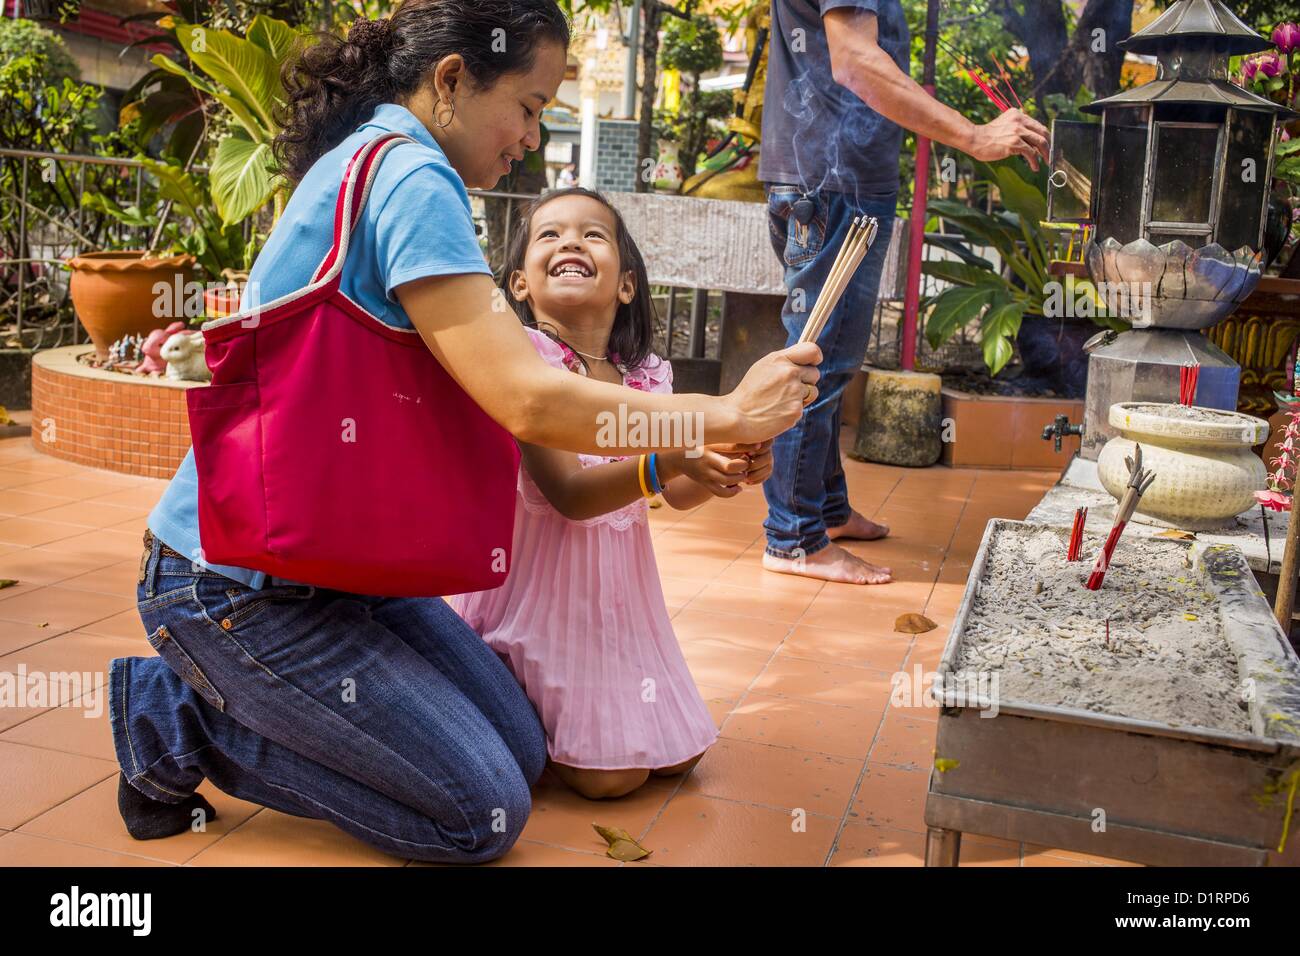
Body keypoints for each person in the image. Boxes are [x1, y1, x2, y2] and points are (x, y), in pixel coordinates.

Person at [111, 0, 821, 865]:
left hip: (336, 562)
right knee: (476, 815)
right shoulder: (410, 175)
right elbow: (528, 398)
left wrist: (680, 447)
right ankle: (170, 720)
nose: (532, 135)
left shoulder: (378, 158)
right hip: (235, 581)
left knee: (520, 753)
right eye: (527, 106)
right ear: (452, 80)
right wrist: (723, 412)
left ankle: (244, 705)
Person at [452, 188, 771, 799]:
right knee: (611, 780)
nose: (570, 241)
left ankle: (567, 709)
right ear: (519, 284)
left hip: (618, 605)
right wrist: (673, 455)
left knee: (681, 760)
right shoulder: (526, 364)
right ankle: (512, 688)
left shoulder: (646, 375)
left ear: (626, 284)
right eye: (549, 235)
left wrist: (725, 467)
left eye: (592, 234)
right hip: (537, 602)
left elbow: (676, 493)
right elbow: (570, 493)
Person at [759, 0, 1048, 585]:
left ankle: (826, 511)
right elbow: (857, 63)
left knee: (831, 354)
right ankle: (792, 538)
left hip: (824, 175)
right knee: (816, 360)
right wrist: (974, 135)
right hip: (833, 181)